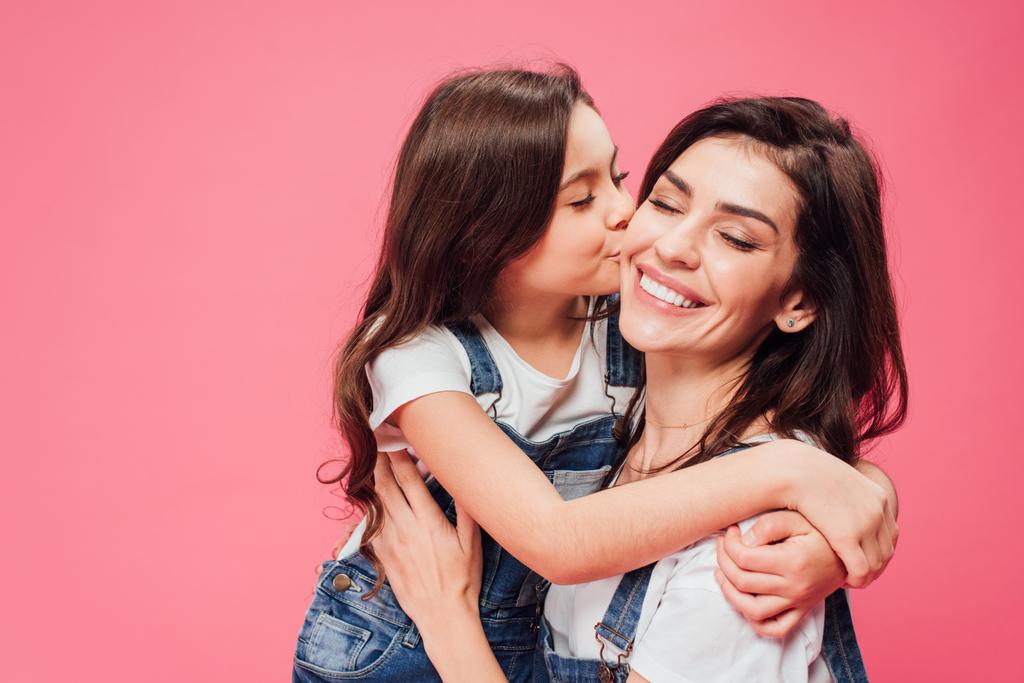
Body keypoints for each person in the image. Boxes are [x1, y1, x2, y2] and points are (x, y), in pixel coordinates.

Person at [292, 67, 897, 683]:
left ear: (801, 299)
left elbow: (799, 452)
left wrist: (849, 507)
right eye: (662, 202)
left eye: (621, 181)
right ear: (484, 234)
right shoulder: (422, 357)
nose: (632, 220)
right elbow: (559, 541)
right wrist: (793, 473)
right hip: (388, 646)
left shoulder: (621, 332)